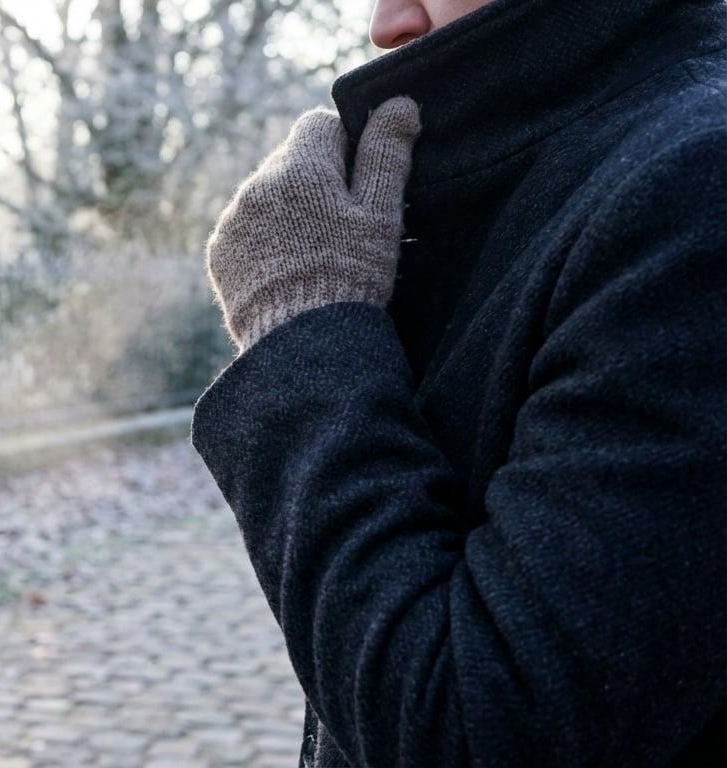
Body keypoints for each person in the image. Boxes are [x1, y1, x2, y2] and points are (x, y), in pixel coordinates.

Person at [191, 0, 727, 765]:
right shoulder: (601, 166)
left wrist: (300, 318)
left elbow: (479, 726)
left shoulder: (695, 187)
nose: (387, 22)